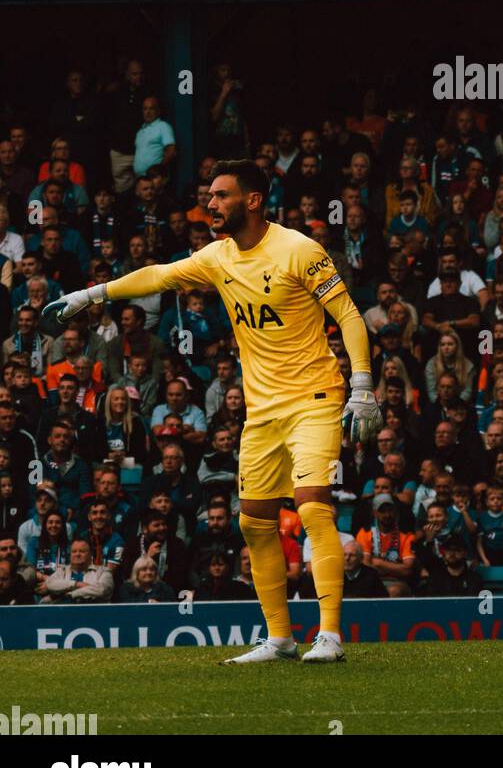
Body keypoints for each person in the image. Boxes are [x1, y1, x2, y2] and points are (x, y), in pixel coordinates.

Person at [43, 159, 381, 665]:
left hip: (315, 398)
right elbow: (159, 274)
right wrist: (93, 294)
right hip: (261, 411)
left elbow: (349, 315)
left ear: (252, 199)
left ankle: (329, 635)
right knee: (255, 523)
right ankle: (280, 639)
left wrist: (361, 386)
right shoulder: (218, 257)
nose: (211, 204)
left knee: (312, 504)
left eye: (222, 195)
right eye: (209, 195)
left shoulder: (298, 250)